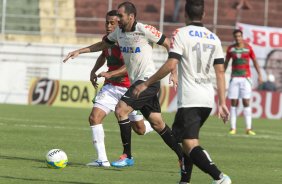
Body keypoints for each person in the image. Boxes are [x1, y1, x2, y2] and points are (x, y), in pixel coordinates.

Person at [63, 1, 183, 168]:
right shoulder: (118, 33)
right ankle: (183, 155)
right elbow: (102, 45)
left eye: (120, 15)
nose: (117, 19)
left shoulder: (144, 30)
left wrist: (173, 70)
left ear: (131, 16)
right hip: (138, 83)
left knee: (121, 110)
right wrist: (80, 51)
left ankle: (127, 155)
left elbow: (169, 44)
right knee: (157, 123)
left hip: (148, 81)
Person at [133, 0, 232, 183]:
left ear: (185, 14)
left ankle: (219, 177)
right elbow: (220, 72)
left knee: (189, 143)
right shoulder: (213, 38)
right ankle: (184, 181)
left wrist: (146, 84)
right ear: (203, 15)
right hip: (207, 99)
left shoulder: (180, 34)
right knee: (188, 140)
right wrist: (223, 102)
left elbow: (171, 64)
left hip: (190, 98)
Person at [79, 10, 153, 167]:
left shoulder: (127, 40)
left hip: (129, 88)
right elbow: (103, 55)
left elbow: (131, 64)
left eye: (112, 23)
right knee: (94, 117)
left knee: (139, 129)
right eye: (106, 22)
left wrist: (111, 73)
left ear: (120, 23)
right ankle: (102, 159)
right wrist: (93, 71)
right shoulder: (107, 40)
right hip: (111, 87)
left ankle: (153, 124)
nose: (108, 25)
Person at [224, 29, 262, 135]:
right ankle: (233, 128)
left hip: (245, 78)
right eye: (236, 36)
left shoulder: (248, 47)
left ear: (242, 36)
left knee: (246, 102)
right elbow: (226, 62)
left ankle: (248, 128)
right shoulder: (231, 49)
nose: (238, 38)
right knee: (234, 103)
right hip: (234, 78)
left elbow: (255, 62)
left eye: (239, 36)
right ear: (234, 37)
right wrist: (221, 74)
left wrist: (259, 75)